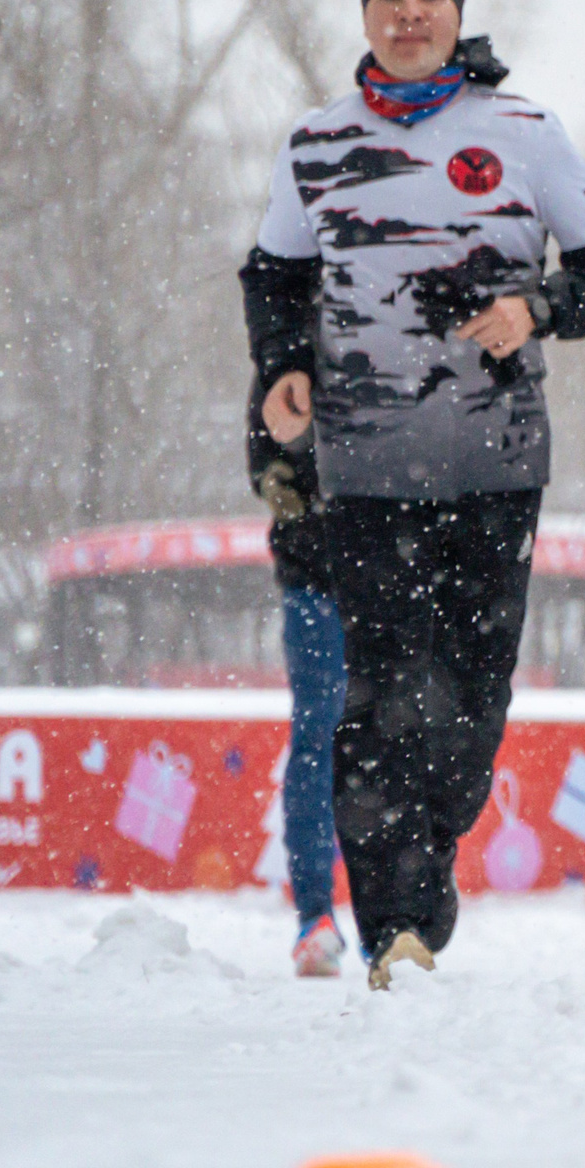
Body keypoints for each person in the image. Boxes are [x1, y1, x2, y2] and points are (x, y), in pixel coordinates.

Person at [239, 0, 585, 989]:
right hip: (362, 471)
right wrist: (280, 365)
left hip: (495, 466)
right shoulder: (315, 143)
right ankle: (396, 931)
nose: (409, 13)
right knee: (374, 698)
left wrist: (537, 305)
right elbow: (273, 276)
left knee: (467, 704)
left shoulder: (523, 131)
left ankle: (431, 862)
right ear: (364, 15)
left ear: (457, 14)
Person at [245, 396, 349, 977]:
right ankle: (317, 916)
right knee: (318, 736)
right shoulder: (290, 323)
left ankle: (402, 917)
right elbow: (264, 420)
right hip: (315, 573)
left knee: (394, 734)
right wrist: (270, 472)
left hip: (392, 570)